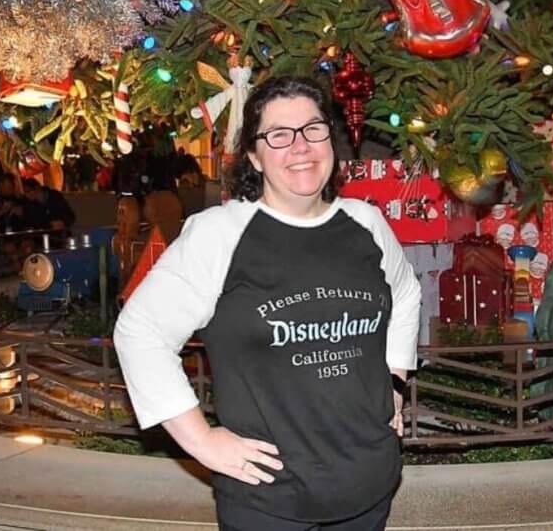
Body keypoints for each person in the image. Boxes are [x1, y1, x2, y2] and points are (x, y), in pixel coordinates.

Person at [114, 76, 421, 531]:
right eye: (279, 135)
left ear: (330, 140)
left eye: (313, 129)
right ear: (254, 156)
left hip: (369, 487)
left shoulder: (366, 223)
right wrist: (200, 440)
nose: (300, 146)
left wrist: (395, 381)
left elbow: (405, 291)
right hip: (268, 499)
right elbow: (140, 331)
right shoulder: (219, 234)